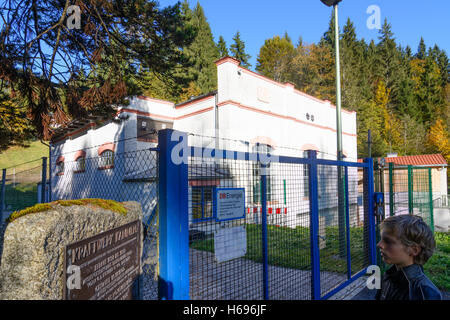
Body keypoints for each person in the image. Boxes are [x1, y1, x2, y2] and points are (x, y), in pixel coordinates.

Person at [375, 214, 442, 300]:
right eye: (381, 239)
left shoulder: (424, 292)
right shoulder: (389, 276)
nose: (379, 245)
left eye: (388, 241)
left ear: (414, 250)